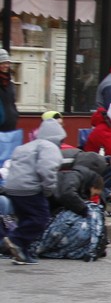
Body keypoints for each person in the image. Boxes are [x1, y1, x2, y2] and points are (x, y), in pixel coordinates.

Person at [2, 118, 66, 264]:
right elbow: (47, 169)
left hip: (12, 188)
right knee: (40, 219)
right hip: (30, 188)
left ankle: (22, 253)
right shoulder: (50, 147)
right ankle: (15, 240)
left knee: (25, 219)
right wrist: (48, 189)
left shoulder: (26, 146)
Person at [0, 49, 19, 132]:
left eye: (7, 63)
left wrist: (15, 114)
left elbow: (12, 102)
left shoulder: (10, 83)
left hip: (10, 125)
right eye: (2, 63)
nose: (6, 65)